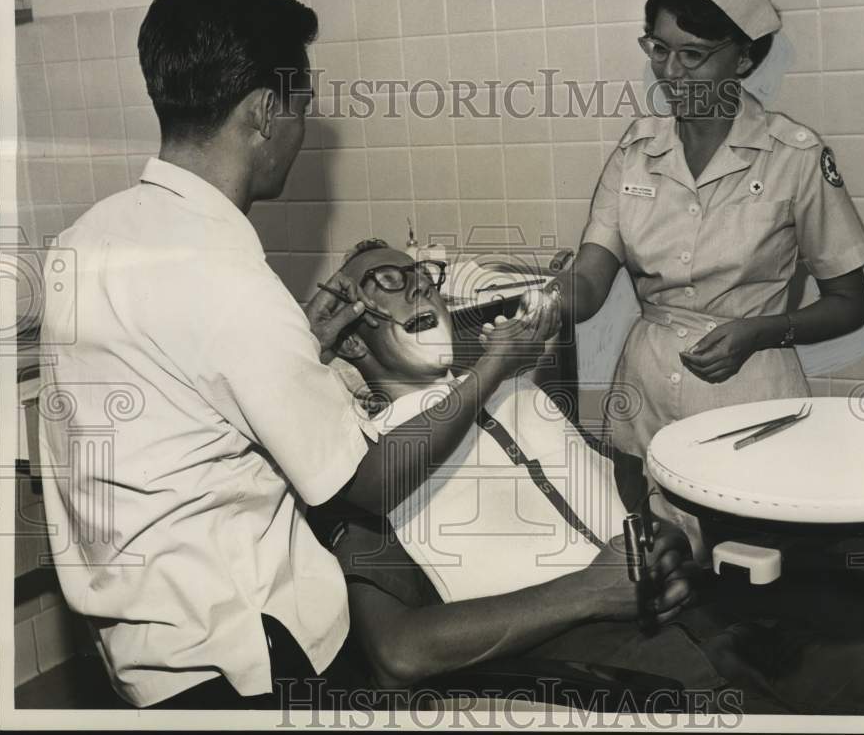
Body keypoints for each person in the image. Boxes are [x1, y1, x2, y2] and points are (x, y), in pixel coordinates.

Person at [37, 0, 553, 710]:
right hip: (250, 658)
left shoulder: (82, 241)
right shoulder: (230, 277)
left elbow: (171, 404)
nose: (301, 134)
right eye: (301, 112)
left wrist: (299, 348)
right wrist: (494, 367)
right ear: (263, 114)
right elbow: (367, 483)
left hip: (140, 654)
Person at [310, 238, 811, 713]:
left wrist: (669, 549)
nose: (421, 287)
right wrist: (589, 593)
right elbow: (399, 654)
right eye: (390, 280)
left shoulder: (521, 397)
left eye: (424, 275)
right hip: (597, 680)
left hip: (707, 629)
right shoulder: (365, 463)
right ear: (352, 341)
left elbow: (635, 515)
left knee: (863, 671)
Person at [549, 0, 864, 463]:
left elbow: (849, 303)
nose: (671, 73)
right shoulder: (635, 152)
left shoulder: (794, 156)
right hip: (644, 396)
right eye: (659, 49)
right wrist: (530, 296)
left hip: (750, 401)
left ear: (743, 56)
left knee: (747, 545)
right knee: (642, 539)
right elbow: (587, 285)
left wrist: (764, 330)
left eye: (693, 54)